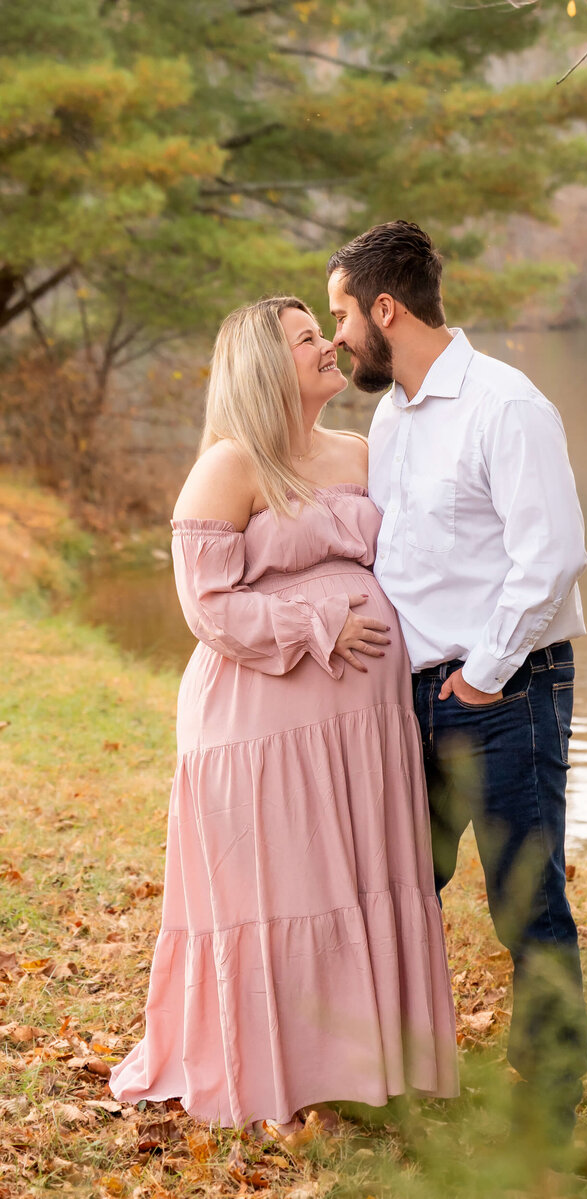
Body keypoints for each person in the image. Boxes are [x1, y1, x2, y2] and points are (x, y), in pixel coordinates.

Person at [109, 296, 459, 1137]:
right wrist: (319, 624)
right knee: (288, 888)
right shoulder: (230, 465)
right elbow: (206, 607)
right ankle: (288, 1091)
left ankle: (375, 1069)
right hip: (263, 724)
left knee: (363, 879)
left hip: (364, 726)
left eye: (322, 330)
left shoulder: (359, 450)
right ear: (266, 365)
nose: (330, 345)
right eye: (308, 339)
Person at [327, 222, 587, 1137]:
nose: (337, 336)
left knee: (527, 902)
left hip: (508, 691)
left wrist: (479, 679)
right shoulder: (390, 418)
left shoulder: (505, 405)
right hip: (415, 701)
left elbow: (551, 557)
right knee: (399, 888)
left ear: (385, 308)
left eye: (343, 313)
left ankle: (546, 1112)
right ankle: (384, 1075)